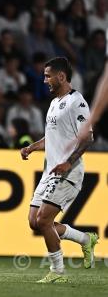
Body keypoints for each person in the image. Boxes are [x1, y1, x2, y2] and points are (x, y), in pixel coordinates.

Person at [20, 57, 97, 283]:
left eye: (47, 76)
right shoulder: (55, 103)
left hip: (68, 172)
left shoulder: (77, 102)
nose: (45, 81)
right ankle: (85, 239)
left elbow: (88, 137)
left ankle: (58, 272)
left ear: (61, 77)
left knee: (44, 220)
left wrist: (68, 162)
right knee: (35, 221)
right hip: (50, 172)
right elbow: (52, 137)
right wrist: (32, 148)